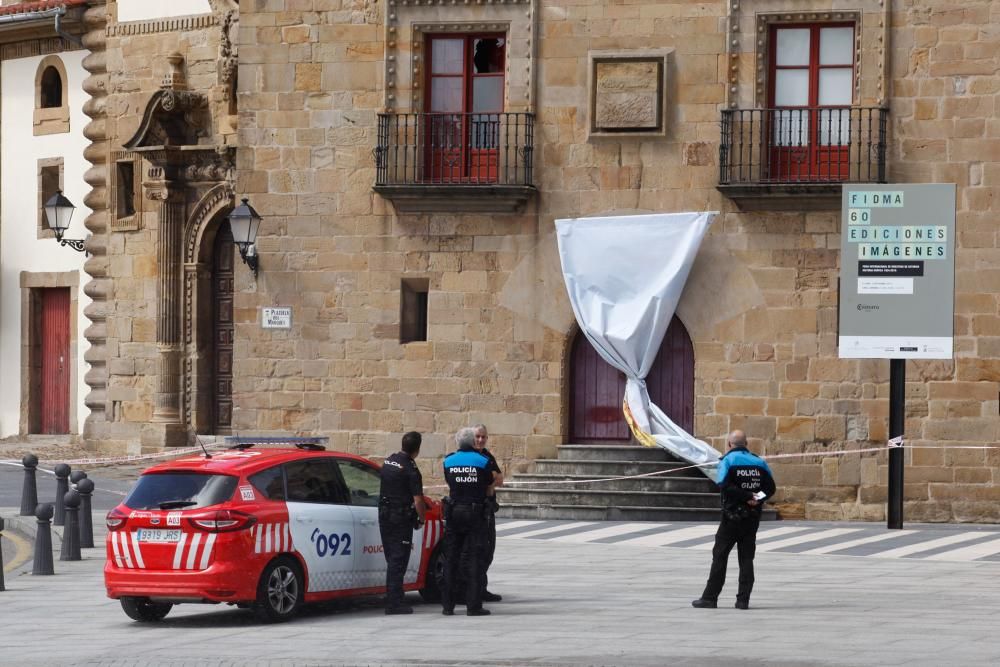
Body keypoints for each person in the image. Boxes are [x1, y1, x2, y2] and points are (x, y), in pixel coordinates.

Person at [692, 430, 776, 611]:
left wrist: (746, 496)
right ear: (746, 444)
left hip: (731, 518)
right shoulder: (759, 462)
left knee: (720, 556)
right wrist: (757, 498)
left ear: (729, 444)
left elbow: (724, 485)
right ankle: (743, 600)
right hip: (752, 518)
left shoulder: (727, 461)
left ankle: (710, 598)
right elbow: (771, 487)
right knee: (746, 558)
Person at [441, 426, 498, 617]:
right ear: (473, 442)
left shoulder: (448, 461)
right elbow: (490, 486)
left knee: (451, 558)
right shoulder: (483, 461)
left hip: (454, 511)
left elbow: (450, 483)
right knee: (474, 558)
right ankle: (473, 605)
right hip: (475, 513)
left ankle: (447, 606)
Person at [378, 431, 427, 615]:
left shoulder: (389, 460)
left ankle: (394, 595)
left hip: (384, 514)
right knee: (398, 560)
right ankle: (394, 603)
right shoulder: (410, 469)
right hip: (399, 518)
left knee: (391, 557)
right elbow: (418, 500)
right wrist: (421, 519)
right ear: (418, 449)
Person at [473, 423, 503, 602]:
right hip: (474, 508)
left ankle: (481, 588)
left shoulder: (487, 456)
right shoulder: (468, 456)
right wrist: (489, 481)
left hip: (487, 508)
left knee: (487, 550)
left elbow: (499, 478)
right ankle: (473, 590)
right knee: (476, 551)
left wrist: (490, 482)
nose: (480, 440)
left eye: (483, 437)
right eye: (477, 436)